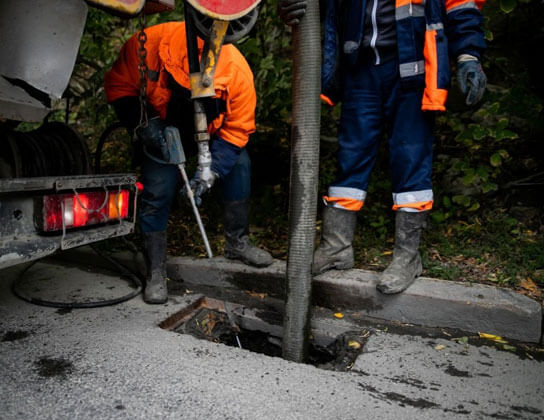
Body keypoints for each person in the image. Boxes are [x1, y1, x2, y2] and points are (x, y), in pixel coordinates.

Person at [279, 0, 487, 293]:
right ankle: (337, 247)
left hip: (411, 71)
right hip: (362, 69)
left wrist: (468, 55)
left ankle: (407, 258)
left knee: (410, 157)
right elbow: (323, 9)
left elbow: (461, 7)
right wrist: (293, 9)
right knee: (350, 155)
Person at [104, 21, 273, 304]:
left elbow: (238, 130)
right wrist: (144, 124)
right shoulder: (150, 44)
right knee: (157, 189)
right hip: (163, 131)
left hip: (212, 135)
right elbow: (119, 85)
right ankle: (156, 269)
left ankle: (238, 243)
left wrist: (212, 170)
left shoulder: (237, 71)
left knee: (239, 165)